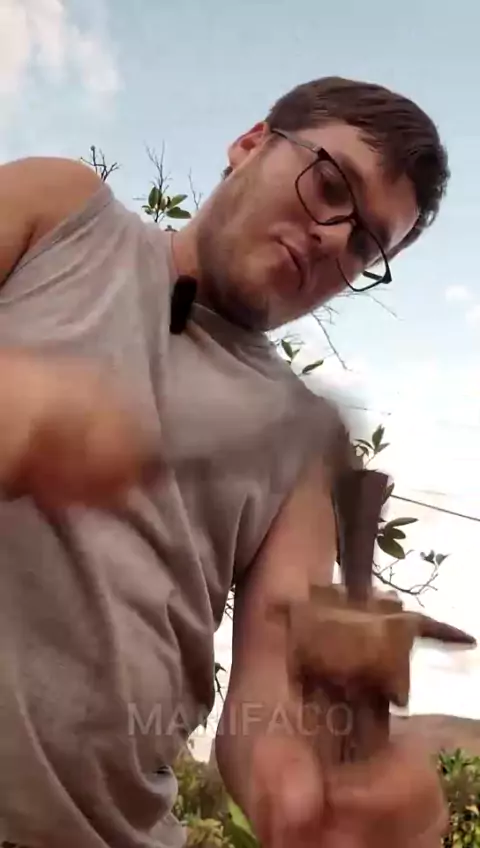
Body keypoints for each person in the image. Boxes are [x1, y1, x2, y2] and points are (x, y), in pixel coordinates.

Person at [0, 76, 449, 848]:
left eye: (366, 244)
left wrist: (311, 795)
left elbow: (269, 709)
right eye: (329, 185)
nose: (333, 239)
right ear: (249, 144)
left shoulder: (302, 441)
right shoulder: (58, 212)